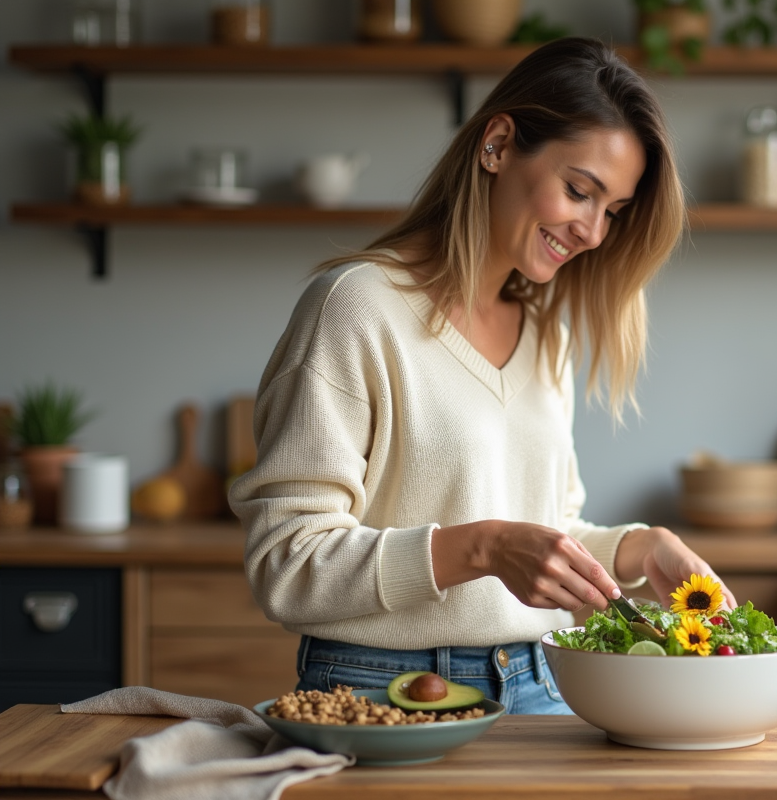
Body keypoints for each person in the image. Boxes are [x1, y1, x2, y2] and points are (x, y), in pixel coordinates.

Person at [229, 37, 737, 714]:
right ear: (498, 145)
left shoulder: (544, 337)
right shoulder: (356, 308)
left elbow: (544, 532)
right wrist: (485, 548)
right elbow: (286, 565)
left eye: (612, 211)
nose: (593, 232)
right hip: (380, 687)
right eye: (580, 191)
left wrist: (643, 549)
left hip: (544, 680)